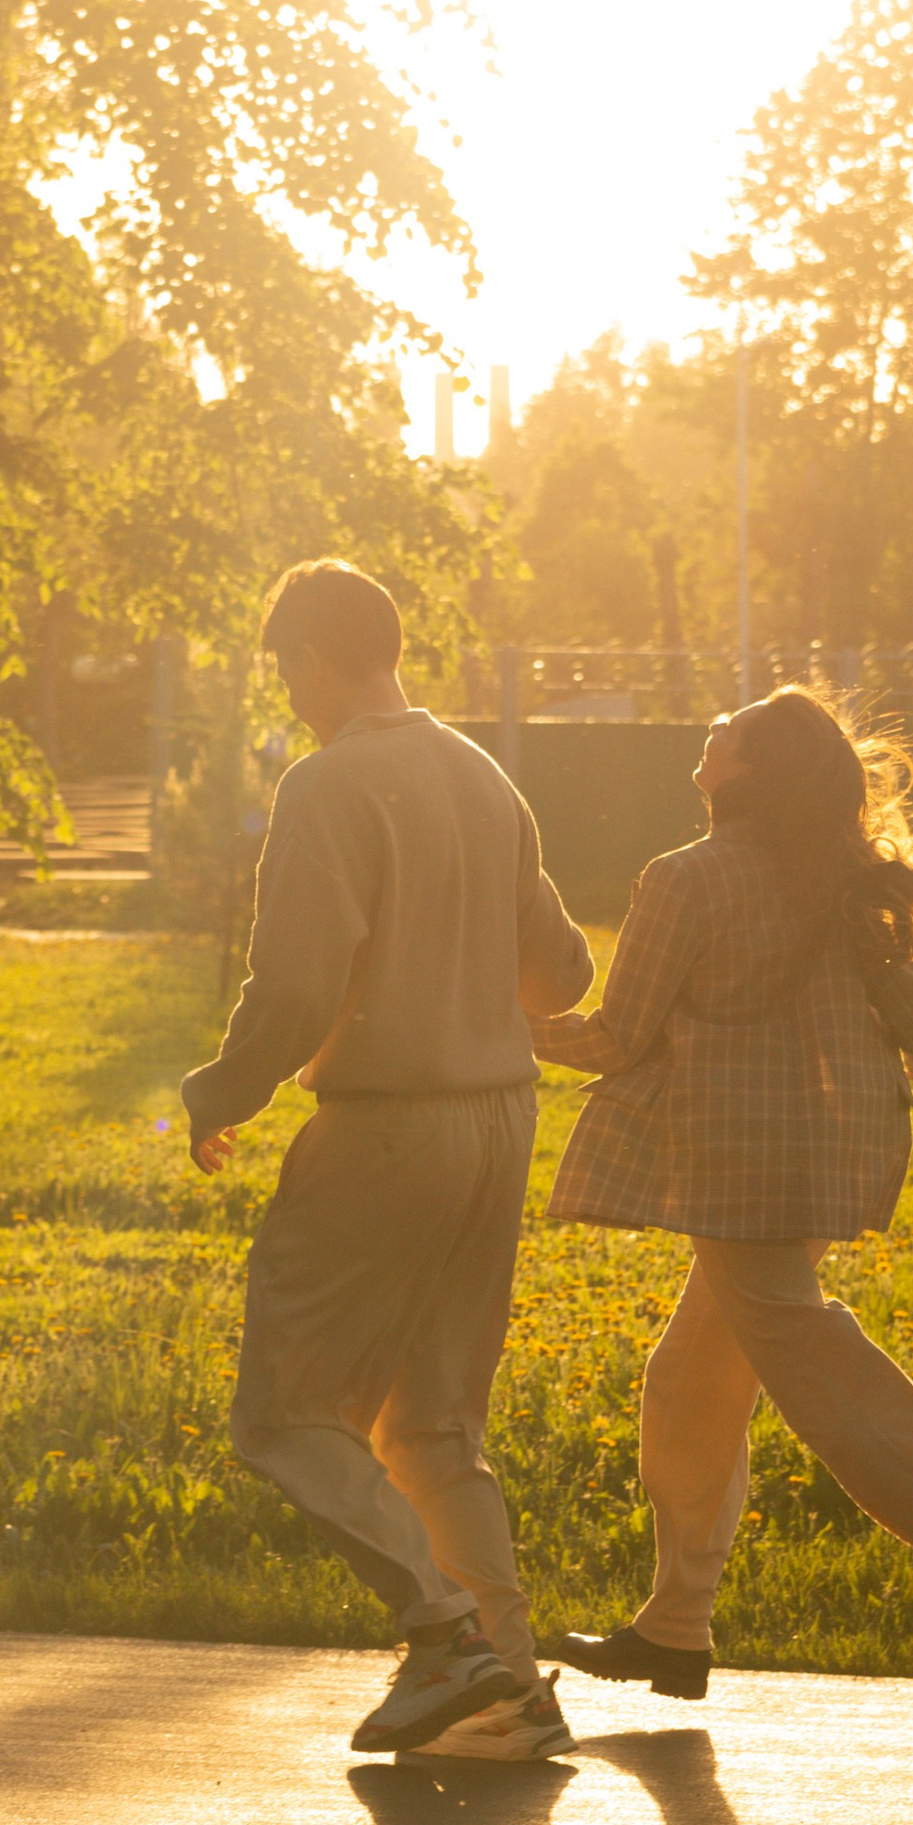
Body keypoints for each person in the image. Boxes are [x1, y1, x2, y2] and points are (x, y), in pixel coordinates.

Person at [531, 684, 913, 1710]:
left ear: (753, 770)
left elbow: (619, 1036)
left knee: (804, 1353)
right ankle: (675, 1630)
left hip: (740, 1161)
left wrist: (493, 1025)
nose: (712, 727)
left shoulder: (685, 876)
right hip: (836, 1149)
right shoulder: (846, 876)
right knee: (692, 1379)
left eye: (729, 729)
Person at [182, 559, 594, 1758]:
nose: (289, 695)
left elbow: (297, 984)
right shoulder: (482, 775)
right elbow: (560, 976)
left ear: (312, 658)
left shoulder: (327, 784)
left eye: (286, 670)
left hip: (385, 1130)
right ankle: (511, 1693)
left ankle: (444, 1635)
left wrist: (221, 1091)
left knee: (285, 1412)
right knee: (432, 1428)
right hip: (498, 1123)